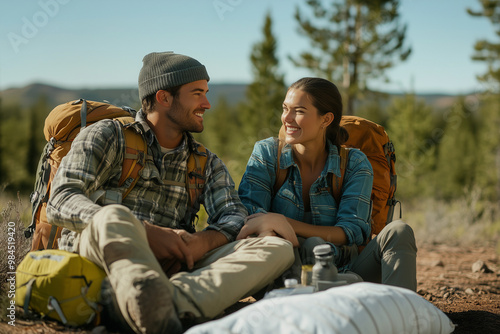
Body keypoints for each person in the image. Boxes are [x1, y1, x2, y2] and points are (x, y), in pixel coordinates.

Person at [46, 52, 295, 334]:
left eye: (207, 93)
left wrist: (199, 242)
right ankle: (155, 305)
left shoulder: (205, 161)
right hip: (103, 255)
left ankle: (156, 304)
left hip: (174, 264)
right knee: (114, 215)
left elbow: (234, 214)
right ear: (164, 97)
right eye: (197, 94)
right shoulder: (107, 135)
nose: (207, 104)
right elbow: (61, 198)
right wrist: (142, 231)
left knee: (278, 248)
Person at [237, 77, 417, 291]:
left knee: (399, 231)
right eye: (285, 108)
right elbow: (251, 214)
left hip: (349, 268)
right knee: (312, 246)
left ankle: (403, 316)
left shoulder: (354, 163)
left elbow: (352, 230)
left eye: (300, 111)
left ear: (326, 119)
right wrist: (276, 230)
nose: (287, 118)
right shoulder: (266, 153)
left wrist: (282, 222)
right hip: (287, 270)